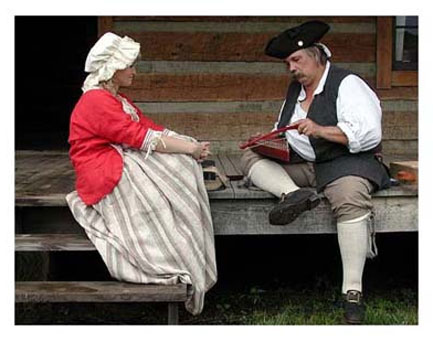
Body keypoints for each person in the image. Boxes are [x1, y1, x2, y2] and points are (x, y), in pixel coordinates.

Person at [240, 20, 390, 324]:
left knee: (349, 196)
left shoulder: (347, 83)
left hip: (346, 162)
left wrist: (321, 130)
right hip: (308, 166)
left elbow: (369, 133)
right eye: (287, 63)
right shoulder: (296, 89)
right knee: (249, 157)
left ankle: (353, 292)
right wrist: (271, 141)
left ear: (317, 56)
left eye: (296, 60)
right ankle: (294, 195)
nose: (291, 68)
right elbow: (289, 128)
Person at [65, 32, 217, 315]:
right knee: (162, 187)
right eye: (130, 65)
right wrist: (188, 148)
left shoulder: (116, 98)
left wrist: (190, 145)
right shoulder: (95, 101)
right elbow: (138, 136)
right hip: (100, 168)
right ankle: (165, 256)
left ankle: (182, 243)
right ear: (114, 68)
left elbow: (148, 127)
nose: (134, 70)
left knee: (179, 164)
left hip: (116, 156)